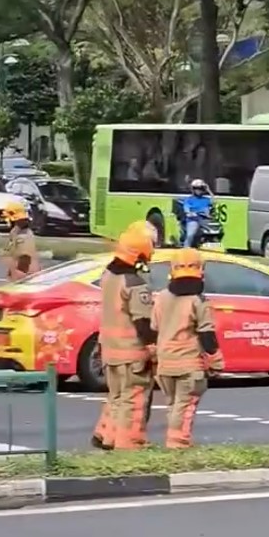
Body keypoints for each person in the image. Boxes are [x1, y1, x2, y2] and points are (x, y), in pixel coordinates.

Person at [92, 223, 157, 450]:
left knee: (117, 396)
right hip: (131, 352)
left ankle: (106, 436)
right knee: (134, 400)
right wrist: (153, 348)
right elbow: (142, 322)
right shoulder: (134, 283)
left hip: (109, 349)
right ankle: (129, 443)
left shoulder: (108, 275)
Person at [152, 248, 223, 448]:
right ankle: (178, 444)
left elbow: (154, 328)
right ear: (200, 270)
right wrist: (216, 361)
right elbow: (207, 335)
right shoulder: (198, 301)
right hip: (188, 364)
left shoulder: (161, 297)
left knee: (173, 405)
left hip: (165, 363)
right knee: (186, 405)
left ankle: (175, 441)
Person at [0, 200, 39, 281]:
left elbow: (25, 256)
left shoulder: (23, 235)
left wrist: (19, 275)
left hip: (24, 276)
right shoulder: (17, 232)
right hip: (18, 275)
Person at [179, 179, 214, 247]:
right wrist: (189, 213)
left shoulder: (206, 199)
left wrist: (209, 190)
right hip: (193, 219)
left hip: (204, 219)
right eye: (196, 189)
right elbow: (186, 208)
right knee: (190, 235)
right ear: (193, 190)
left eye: (200, 189)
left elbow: (214, 201)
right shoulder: (189, 199)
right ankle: (186, 249)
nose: (198, 190)